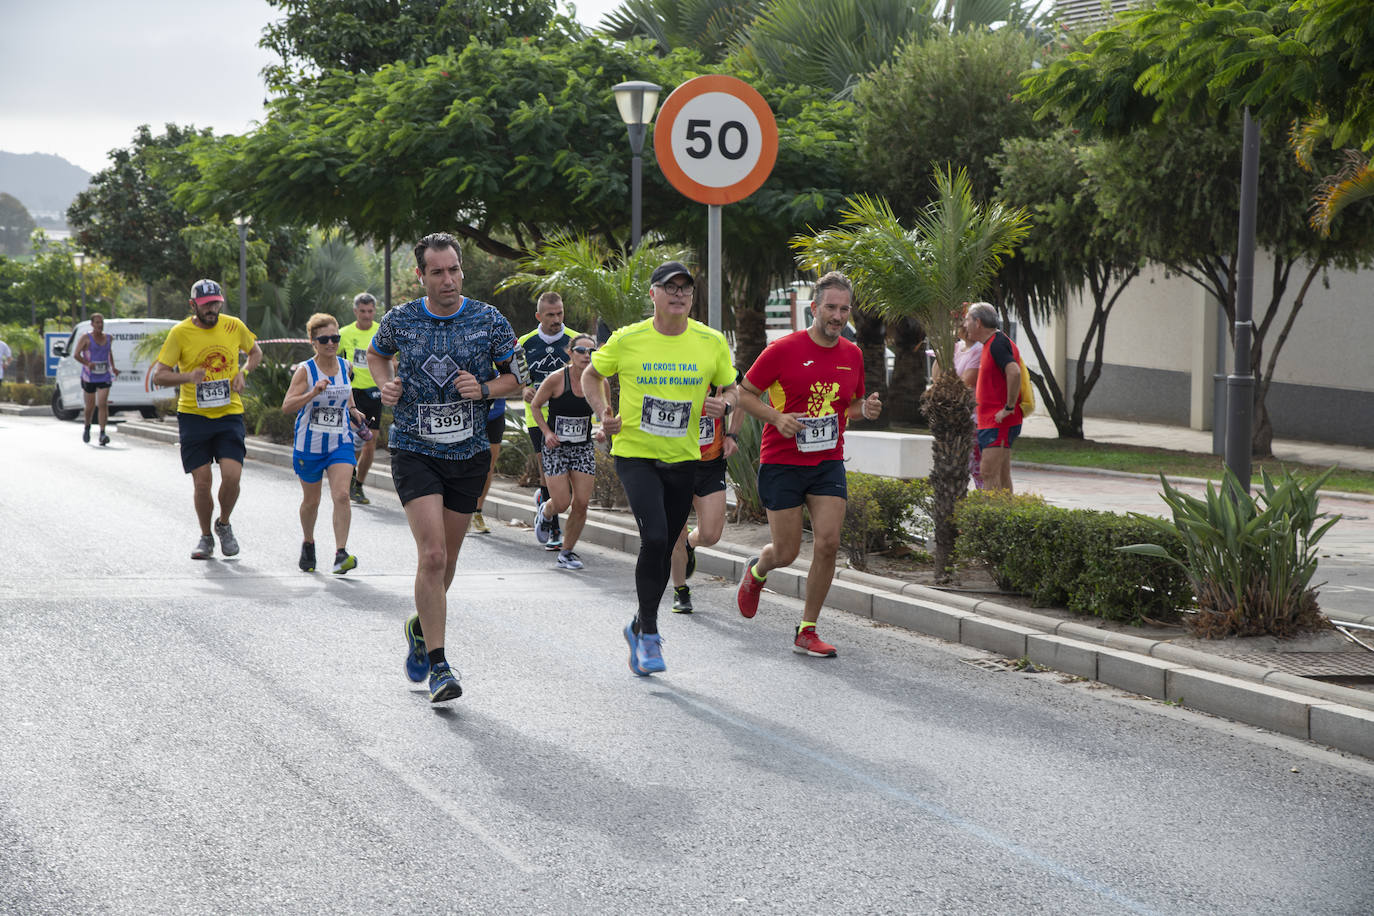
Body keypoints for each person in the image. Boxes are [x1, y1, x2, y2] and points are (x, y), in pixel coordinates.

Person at [366, 232, 519, 704]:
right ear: (421, 275)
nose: (448, 279)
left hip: (469, 452)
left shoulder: (488, 319)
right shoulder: (402, 320)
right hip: (415, 449)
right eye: (437, 272)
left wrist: (487, 389)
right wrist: (385, 385)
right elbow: (376, 354)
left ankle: (419, 626)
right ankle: (440, 666)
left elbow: (517, 376)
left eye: (453, 269)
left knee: (447, 564)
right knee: (431, 556)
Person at [584, 261, 737, 676]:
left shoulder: (710, 341)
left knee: (668, 542)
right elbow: (591, 375)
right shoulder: (628, 338)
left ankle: (638, 624)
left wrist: (725, 404)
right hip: (635, 453)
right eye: (670, 288)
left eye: (686, 289)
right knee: (653, 537)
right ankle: (650, 632)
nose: (679, 294)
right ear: (653, 294)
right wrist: (603, 414)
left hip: (684, 457)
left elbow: (731, 386)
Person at [735, 271, 883, 657]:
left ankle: (807, 628)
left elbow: (849, 405)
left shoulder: (853, 354)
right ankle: (757, 571)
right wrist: (775, 417)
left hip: (827, 460)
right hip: (782, 461)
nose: (838, 315)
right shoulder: (783, 350)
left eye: (844, 308)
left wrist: (863, 409)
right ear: (813, 308)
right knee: (785, 552)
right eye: (831, 307)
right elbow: (744, 394)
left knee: (829, 543)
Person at [152, 279, 263, 559]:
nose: (212, 310)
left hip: (229, 413)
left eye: (216, 304)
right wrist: (187, 376)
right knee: (202, 482)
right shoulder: (180, 333)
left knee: (232, 476)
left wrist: (244, 373)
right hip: (193, 416)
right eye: (206, 306)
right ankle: (205, 537)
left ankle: (223, 524)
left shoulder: (233, 325)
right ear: (193, 306)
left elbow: (255, 352)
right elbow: (159, 375)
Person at [282, 313, 366, 574]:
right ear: (313, 342)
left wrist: (354, 411)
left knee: (341, 495)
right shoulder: (305, 371)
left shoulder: (346, 366)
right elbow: (287, 407)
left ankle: (341, 553)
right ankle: (309, 542)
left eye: (335, 338)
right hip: (309, 445)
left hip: (339, 441)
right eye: (325, 339)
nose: (331, 343)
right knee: (312, 501)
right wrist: (313, 393)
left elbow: (347, 392)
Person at [669, 373, 745, 613]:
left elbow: (742, 395)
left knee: (711, 535)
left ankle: (691, 543)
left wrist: (732, 434)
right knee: (676, 532)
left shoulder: (720, 370)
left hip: (710, 465)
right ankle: (680, 590)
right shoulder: (669, 369)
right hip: (674, 462)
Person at [529, 333, 599, 570]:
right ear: (570, 353)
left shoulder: (600, 382)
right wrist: (547, 432)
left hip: (582, 447)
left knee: (581, 503)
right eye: (581, 350)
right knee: (561, 502)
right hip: (556, 447)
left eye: (592, 351)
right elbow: (535, 405)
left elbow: (605, 411)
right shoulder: (556, 379)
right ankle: (546, 510)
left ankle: (566, 552)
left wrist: (604, 431)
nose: (586, 355)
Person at [517, 292, 578, 551]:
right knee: (548, 472)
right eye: (550, 315)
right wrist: (524, 390)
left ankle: (544, 502)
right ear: (539, 316)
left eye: (560, 313)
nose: (556, 319)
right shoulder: (524, 343)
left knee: (570, 480)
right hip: (538, 415)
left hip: (571, 416)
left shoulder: (576, 341)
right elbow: (518, 377)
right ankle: (553, 527)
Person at [964, 301, 1022, 493]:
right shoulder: (990, 343)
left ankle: (990, 518)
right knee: (1001, 475)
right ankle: (1004, 519)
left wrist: (1009, 407)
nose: (964, 326)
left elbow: (1014, 372)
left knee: (988, 472)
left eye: (967, 320)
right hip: (991, 420)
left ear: (978, 322)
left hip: (998, 422)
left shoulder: (997, 343)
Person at [339, 292, 383, 505]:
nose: (366, 315)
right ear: (355, 311)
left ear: (375, 311)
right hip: (352, 394)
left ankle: (358, 485)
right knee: (352, 441)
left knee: (370, 442)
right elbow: (332, 359)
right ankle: (349, 476)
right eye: (362, 311)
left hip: (375, 392)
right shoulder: (344, 333)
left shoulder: (381, 332)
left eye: (370, 311)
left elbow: (391, 360)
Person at [948, 306, 985, 490]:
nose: (957, 325)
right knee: (958, 468)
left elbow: (966, 383)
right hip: (955, 417)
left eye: (961, 321)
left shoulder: (979, 351)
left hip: (972, 418)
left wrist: (947, 383)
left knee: (977, 468)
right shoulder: (956, 347)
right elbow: (938, 378)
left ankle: (988, 506)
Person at [74, 313, 118, 446]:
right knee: (90, 406)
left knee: (103, 403)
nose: (100, 325)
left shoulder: (109, 338)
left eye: (101, 322)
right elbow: (76, 354)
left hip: (104, 375)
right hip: (89, 376)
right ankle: (87, 427)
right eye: (97, 322)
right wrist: (88, 364)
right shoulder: (86, 338)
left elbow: (109, 353)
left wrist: (113, 368)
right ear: (92, 324)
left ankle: (102, 433)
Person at [470, 390, 506, 534]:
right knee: (466, 464)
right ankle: (464, 512)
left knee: (488, 467)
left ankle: (477, 512)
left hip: (495, 415)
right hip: (471, 414)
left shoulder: (502, 365)